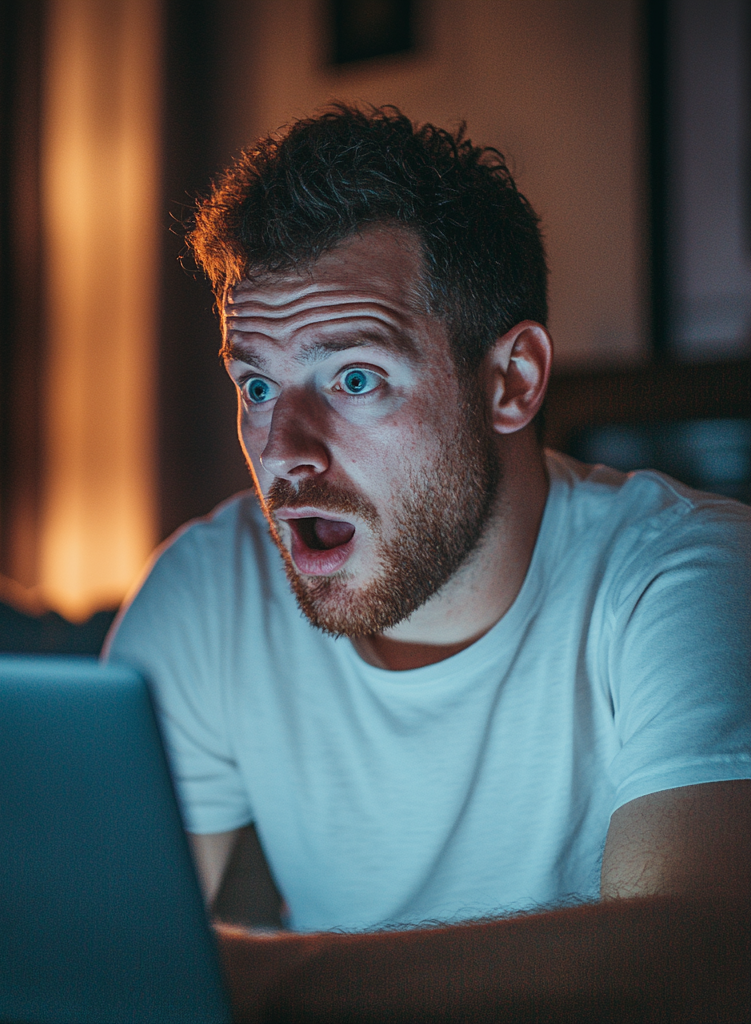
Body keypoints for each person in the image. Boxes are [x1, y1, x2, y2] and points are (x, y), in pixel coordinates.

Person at [105, 105, 750, 1020]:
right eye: (256, 383)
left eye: (354, 378)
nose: (285, 449)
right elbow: (103, 947)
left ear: (511, 382)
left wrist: (280, 983)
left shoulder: (683, 577)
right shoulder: (211, 587)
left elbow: (700, 963)